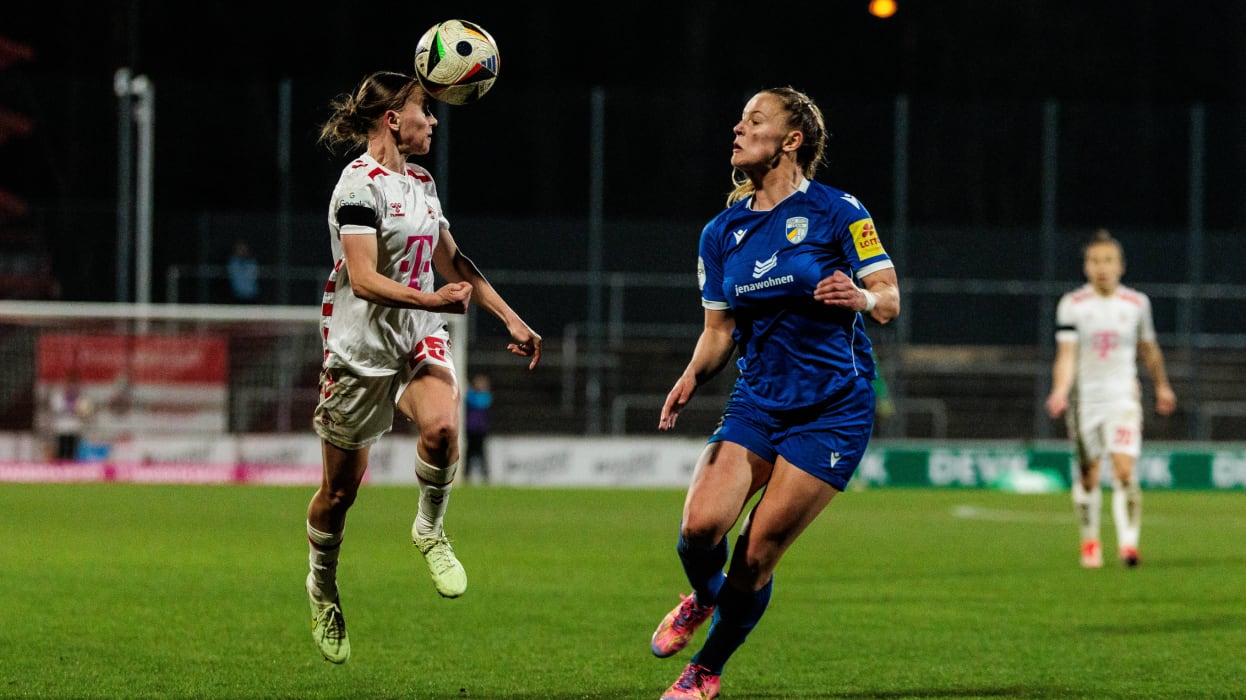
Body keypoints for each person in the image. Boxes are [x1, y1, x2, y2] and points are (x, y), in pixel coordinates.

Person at [650, 87, 900, 700]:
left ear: (791, 140)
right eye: (739, 118)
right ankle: (705, 598)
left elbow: (889, 298)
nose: (737, 128)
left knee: (756, 555)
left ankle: (705, 670)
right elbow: (719, 331)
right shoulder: (722, 232)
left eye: (754, 120)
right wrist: (691, 375)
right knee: (700, 527)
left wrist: (861, 298)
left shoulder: (840, 211)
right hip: (758, 401)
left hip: (832, 411)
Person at [303, 71, 542, 664]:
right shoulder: (357, 188)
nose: (433, 121)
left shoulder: (424, 183)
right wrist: (435, 298)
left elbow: (453, 259)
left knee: (442, 429)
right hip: (360, 354)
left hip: (416, 338)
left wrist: (509, 318)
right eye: (424, 112)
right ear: (392, 120)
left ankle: (429, 530)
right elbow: (362, 278)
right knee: (338, 495)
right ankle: (321, 585)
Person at [1045, 228, 1175, 570]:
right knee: (1088, 477)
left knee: (1124, 471)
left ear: (1121, 266)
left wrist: (1162, 385)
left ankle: (1129, 546)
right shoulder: (1073, 305)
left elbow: (1148, 348)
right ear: (1086, 266)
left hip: (1123, 398)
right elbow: (1067, 355)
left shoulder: (1136, 304)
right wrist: (1060, 391)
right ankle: (1090, 541)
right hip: (1084, 403)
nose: (1101, 267)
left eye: (1108, 260)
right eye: (1094, 261)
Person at [463, 373, 493, 483]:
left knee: (481, 455)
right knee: (468, 455)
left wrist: (467, 390)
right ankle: (466, 476)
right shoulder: (473, 395)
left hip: (480, 431)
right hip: (470, 430)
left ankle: (485, 477)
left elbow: (477, 403)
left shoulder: (486, 396)